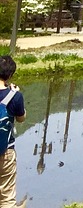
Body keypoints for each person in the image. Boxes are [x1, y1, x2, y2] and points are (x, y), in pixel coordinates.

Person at [0, 54, 26, 208]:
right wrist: (14, 93)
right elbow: (21, 118)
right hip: (6, 151)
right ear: (10, 75)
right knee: (7, 197)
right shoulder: (15, 96)